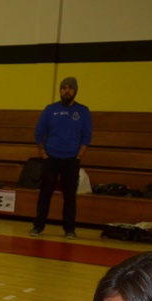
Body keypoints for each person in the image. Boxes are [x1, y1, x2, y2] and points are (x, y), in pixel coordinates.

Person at [30, 77, 92, 239]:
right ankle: (38, 226)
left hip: (72, 160)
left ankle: (70, 229)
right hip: (51, 159)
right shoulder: (50, 110)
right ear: (60, 91)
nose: (66, 91)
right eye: (63, 88)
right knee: (45, 194)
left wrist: (79, 155)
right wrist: (44, 154)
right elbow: (38, 134)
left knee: (70, 197)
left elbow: (86, 136)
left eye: (70, 88)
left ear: (75, 91)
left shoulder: (83, 111)